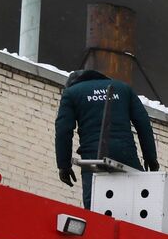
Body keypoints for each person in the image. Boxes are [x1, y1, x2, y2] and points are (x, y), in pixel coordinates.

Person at [55, 68, 160, 209]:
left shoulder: (71, 93)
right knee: (136, 205)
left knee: (95, 209)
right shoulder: (123, 89)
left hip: (94, 158)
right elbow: (143, 124)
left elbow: (63, 130)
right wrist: (151, 158)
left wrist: (64, 165)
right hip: (126, 155)